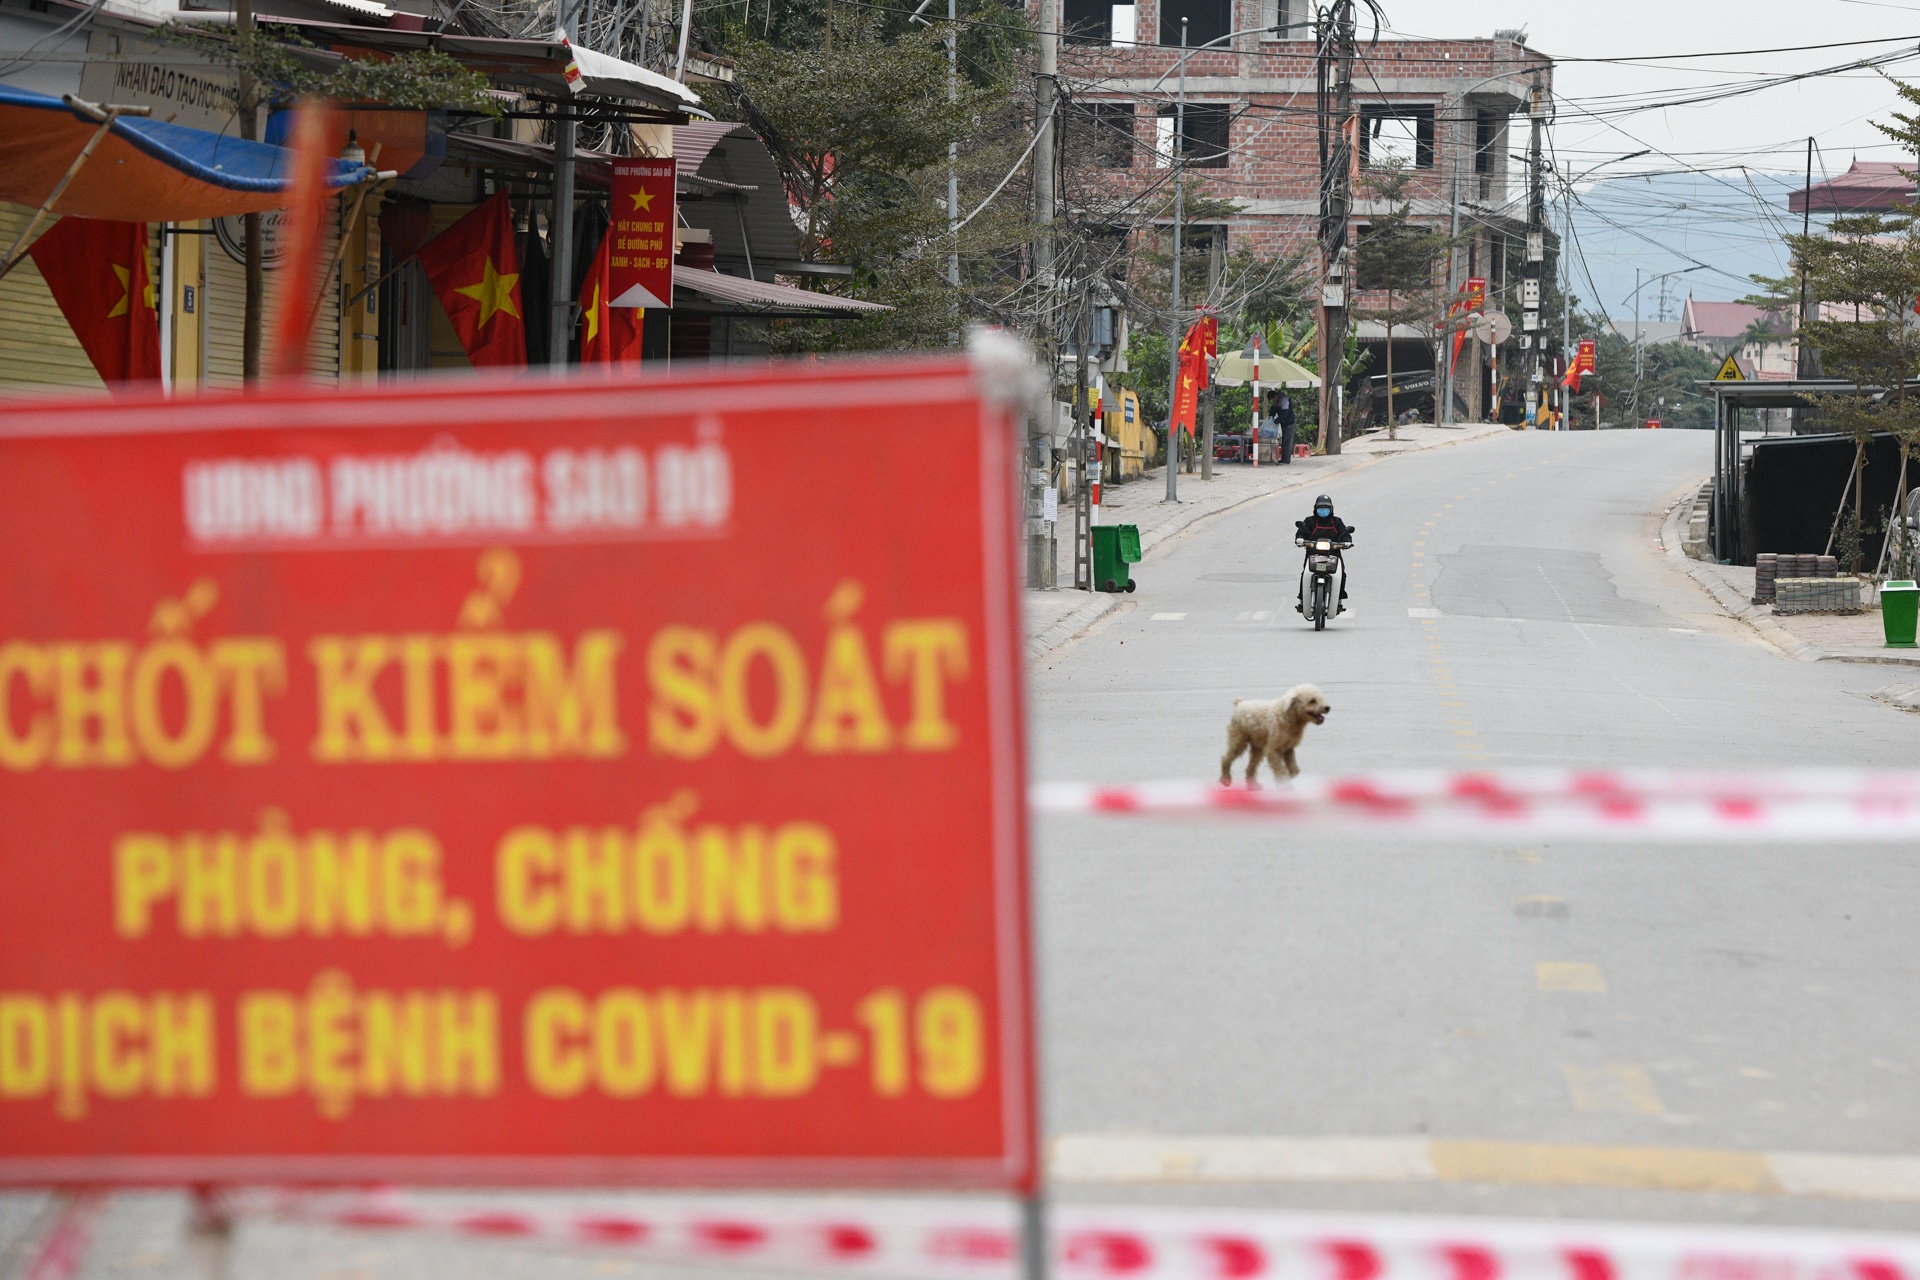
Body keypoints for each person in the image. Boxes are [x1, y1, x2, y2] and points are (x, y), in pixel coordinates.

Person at [1295, 494, 1354, 615]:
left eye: (1326, 508)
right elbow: (1302, 532)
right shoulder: (1309, 521)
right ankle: (1302, 601)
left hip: (1333, 554)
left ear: (1331, 509)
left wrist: (1347, 541)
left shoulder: (1336, 521)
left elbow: (1344, 533)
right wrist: (1300, 539)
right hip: (1313, 554)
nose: (1323, 510)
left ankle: (1339, 601)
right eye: (1320, 507)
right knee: (1305, 574)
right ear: (1315, 508)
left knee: (1342, 574)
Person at [1276, 392, 1297, 464]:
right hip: (1285, 424)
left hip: (1289, 423)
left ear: (1275, 396)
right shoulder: (1279, 400)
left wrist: (1276, 421)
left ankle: (1286, 460)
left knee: (1287, 442)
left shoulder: (1284, 399)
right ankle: (1284, 458)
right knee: (1284, 441)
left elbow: (1284, 414)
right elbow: (1274, 410)